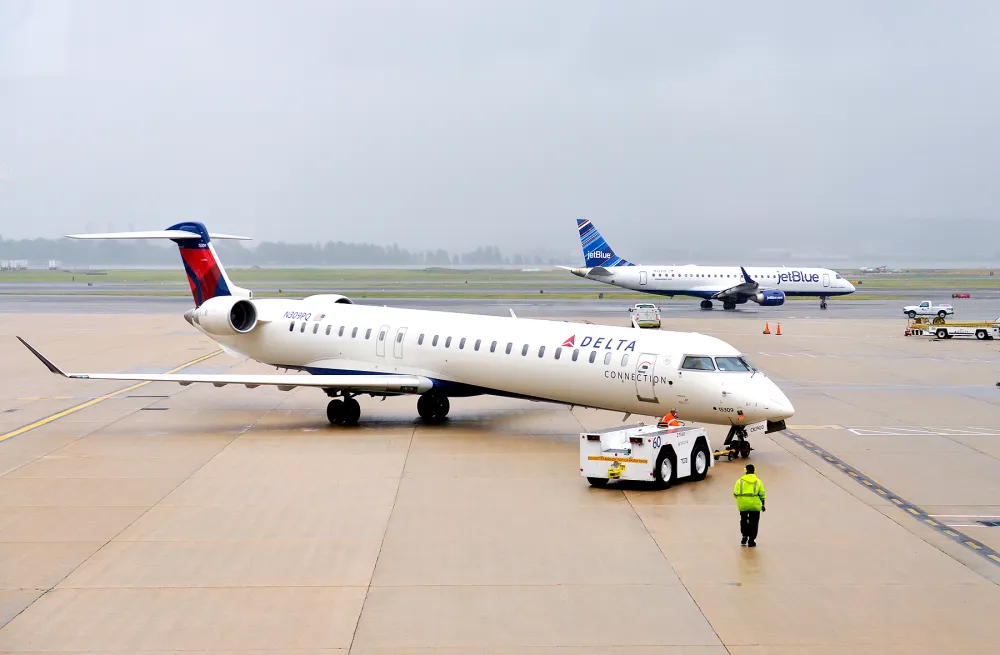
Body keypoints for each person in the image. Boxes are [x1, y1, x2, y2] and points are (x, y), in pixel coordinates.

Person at [733, 463, 766, 547]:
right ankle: (751, 540)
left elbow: (735, 494)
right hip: (754, 505)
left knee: (743, 520)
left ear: (745, 471)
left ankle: (744, 536)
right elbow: (762, 494)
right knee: (754, 522)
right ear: (754, 471)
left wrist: (742, 500)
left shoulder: (739, 481)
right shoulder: (758, 481)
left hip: (743, 505)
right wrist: (763, 505)